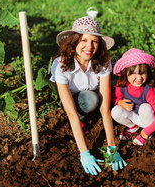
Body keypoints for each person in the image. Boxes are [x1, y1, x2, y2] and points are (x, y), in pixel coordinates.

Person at [50, 16, 127, 175]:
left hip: (93, 93)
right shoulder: (61, 64)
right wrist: (84, 153)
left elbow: (105, 108)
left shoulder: (103, 61)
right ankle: (83, 119)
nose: (89, 46)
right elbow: (71, 114)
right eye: (83, 40)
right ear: (74, 42)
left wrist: (111, 148)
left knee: (117, 89)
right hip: (74, 101)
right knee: (90, 100)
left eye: (94, 41)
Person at [111, 48, 155, 146]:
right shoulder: (121, 84)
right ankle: (132, 127)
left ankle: (148, 132)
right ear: (125, 73)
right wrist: (119, 102)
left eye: (142, 73)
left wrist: (145, 132)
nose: (139, 78)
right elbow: (114, 98)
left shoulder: (150, 91)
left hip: (147, 120)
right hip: (133, 117)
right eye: (133, 73)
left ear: (147, 72)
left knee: (145, 108)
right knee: (115, 111)